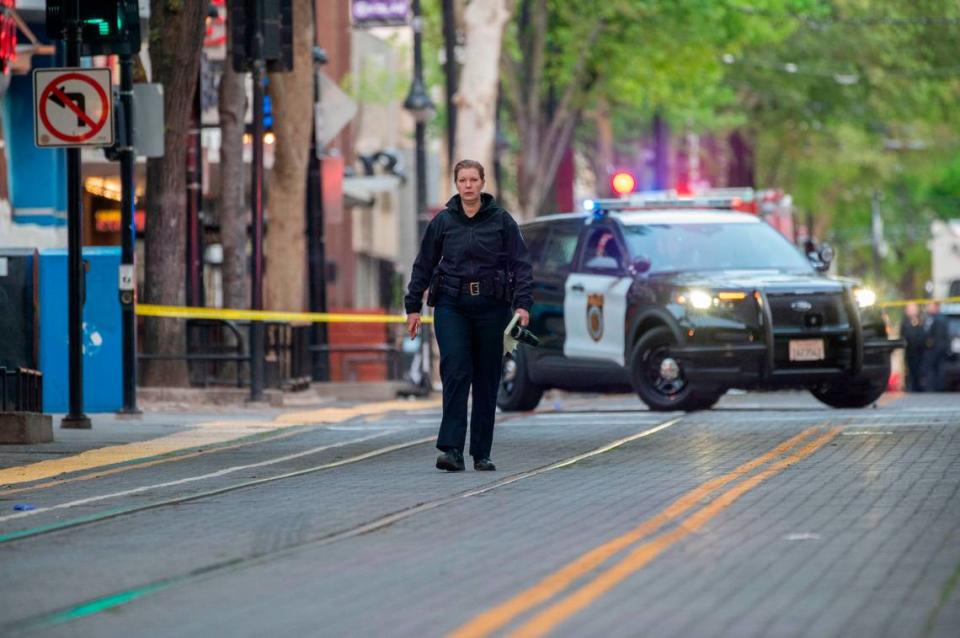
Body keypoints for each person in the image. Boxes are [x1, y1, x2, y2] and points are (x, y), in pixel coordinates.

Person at [405, 159, 533, 472]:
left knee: (487, 379)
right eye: (463, 180)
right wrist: (412, 307)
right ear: (456, 184)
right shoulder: (443, 222)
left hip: (492, 305)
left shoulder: (502, 221)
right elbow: (423, 264)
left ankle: (481, 453)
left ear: (482, 183)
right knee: (456, 370)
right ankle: (450, 450)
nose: (468, 185)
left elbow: (521, 265)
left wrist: (523, 305)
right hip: (452, 304)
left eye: (473, 179)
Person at [921, 302, 949, 391]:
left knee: (932, 369)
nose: (928, 308)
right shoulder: (940, 318)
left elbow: (936, 335)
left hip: (935, 349)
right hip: (940, 348)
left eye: (930, 306)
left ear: (936, 307)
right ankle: (937, 387)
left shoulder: (937, 319)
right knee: (939, 369)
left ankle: (933, 388)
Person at [901, 302, 926, 391]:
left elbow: (924, 335)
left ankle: (920, 386)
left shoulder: (922, 321)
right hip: (910, 351)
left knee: (920, 370)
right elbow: (904, 335)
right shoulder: (905, 322)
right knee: (910, 370)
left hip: (921, 351)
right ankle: (911, 387)